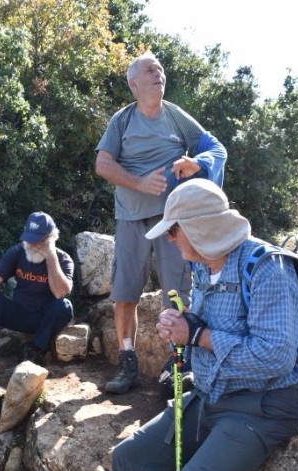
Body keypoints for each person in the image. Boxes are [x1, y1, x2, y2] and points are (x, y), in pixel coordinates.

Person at [86, 179, 298, 471]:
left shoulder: (267, 269)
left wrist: (200, 336)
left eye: (173, 230)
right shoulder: (204, 263)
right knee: (129, 459)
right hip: (211, 397)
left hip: (262, 408)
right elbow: (199, 330)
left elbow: (276, 356)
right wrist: (180, 330)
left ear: (200, 227)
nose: (169, 239)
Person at [95, 50, 227, 395]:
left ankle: (178, 366)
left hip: (174, 222)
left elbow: (215, 148)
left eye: (161, 70)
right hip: (130, 219)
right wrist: (139, 183)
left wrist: (198, 163)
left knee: (177, 292)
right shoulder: (121, 121)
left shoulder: (176, 117)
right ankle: (127, 366)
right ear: (134, 83)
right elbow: (103, 164)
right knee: (125, 294)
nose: (159, 75)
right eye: (151, 70)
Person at [0, 211, 74, 377]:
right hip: (19, 312)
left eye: (37, 240)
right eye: (28, 238)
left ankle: (34, 350)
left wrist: (50, 255)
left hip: (44, 317)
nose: (31, 244)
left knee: (64, 306)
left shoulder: (63, 259)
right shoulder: (17, 252)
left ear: (50, 238)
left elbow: (60, 292)